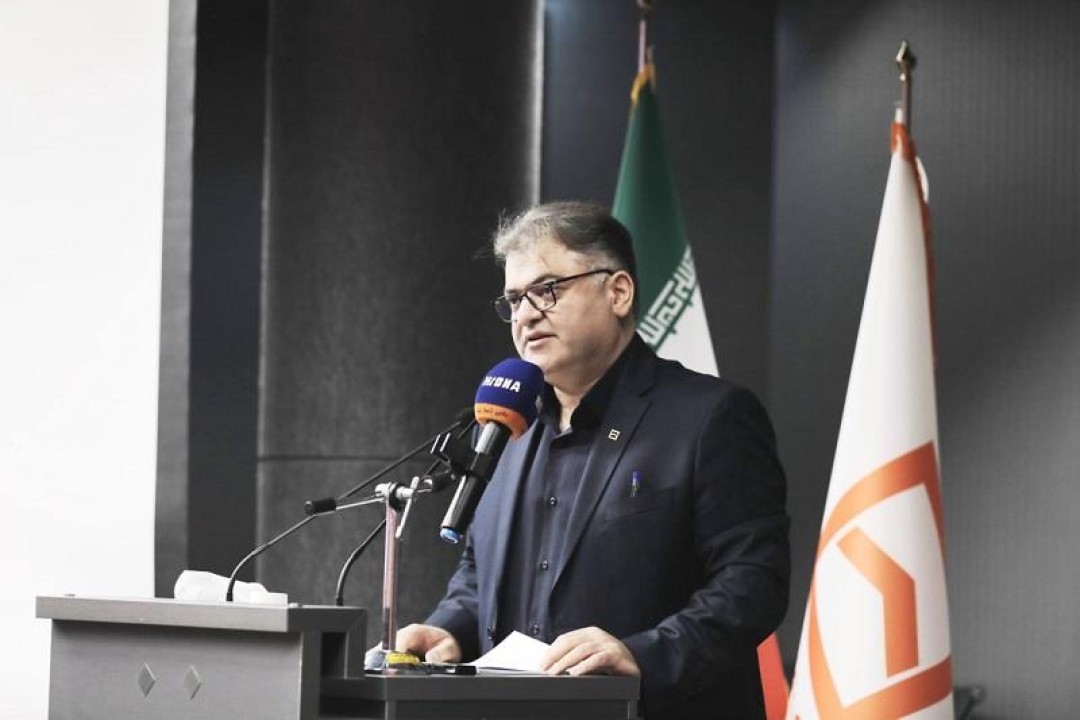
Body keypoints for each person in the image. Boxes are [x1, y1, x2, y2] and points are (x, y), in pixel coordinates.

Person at [398, 201, 789, 719]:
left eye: (547, 290)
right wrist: (450, 628)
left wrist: (642, 656)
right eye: (514, 299)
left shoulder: (709, 416)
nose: (526, 314)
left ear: (618, 292)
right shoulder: (506, 429)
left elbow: (753, 582)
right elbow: (479, 574)